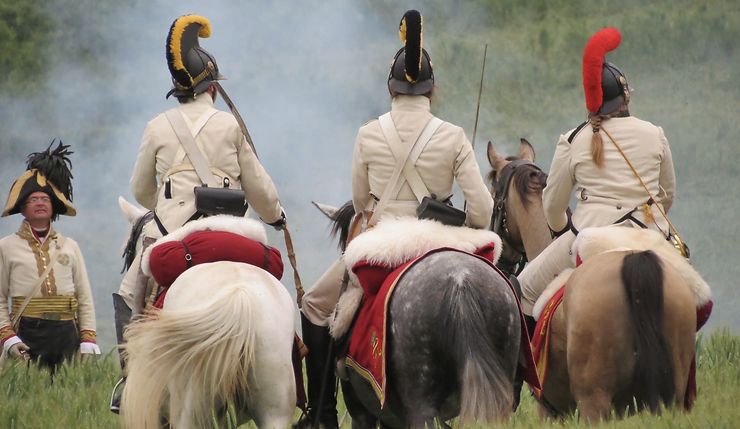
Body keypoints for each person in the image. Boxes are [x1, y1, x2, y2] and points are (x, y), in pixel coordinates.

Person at [297, 10, 493, 428]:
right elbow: (483, 211)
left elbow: (358, 200)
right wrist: (461, 224)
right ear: (431, 88)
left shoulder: (369, 133)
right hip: (440, 240)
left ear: (391, 88)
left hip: (381, 242)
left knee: (314, 304)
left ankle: (322, 412)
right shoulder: (454, 136)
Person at [111, 14, 286, 411]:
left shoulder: (157, 126)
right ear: (212, 86)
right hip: (233, 229)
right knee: (271, 290)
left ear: (179, 91)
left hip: (174, 232)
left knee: (130, 292)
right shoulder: (230, 125)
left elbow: (140, 188)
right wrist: (276, 217)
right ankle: (290, 360)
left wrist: (167, 207)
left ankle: (132, 380)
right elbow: (259, 186)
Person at [517, 27, 677, 329]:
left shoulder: (573, 139)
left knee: (522, 288)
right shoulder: (655, 134)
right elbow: (667, 194)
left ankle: (527, 375)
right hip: (648, 234)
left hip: (589, 236)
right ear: (625, 97)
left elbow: (553, 207)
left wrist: (562, 228)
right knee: (694, 300)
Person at [0, 142, 101, 372]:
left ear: (53, 207)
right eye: (33, 199)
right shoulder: (5, 247)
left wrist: (87, 339)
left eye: (45, 199)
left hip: (66, 333)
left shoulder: (70, 247)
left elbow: (84, 296)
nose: (39, 203)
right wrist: (9, 338)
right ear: (22, 209)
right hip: (26, 333)